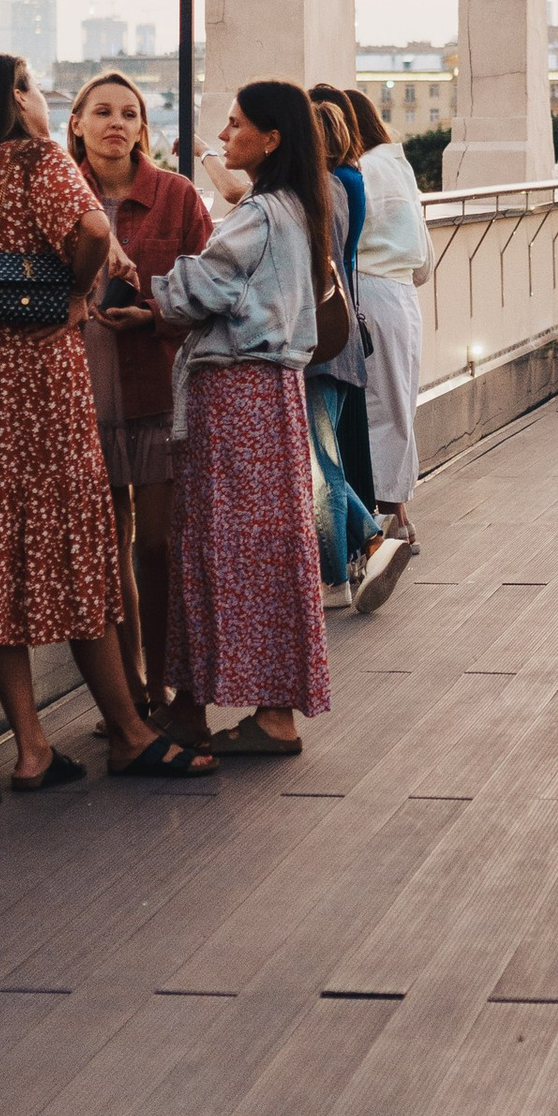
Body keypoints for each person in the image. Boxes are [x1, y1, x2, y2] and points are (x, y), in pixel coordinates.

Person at [0, 53, 206, 790]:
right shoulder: (37, 157)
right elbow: (87, 225)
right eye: (34, 87)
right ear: (18, 100)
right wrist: (79, 290)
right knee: (83, 546)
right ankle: (130, 732)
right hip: (45, 375)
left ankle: (30, 748)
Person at [155, 81, 338, 758]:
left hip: (234, 398)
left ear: (271, 138)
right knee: (268, 549)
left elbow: (195, 293)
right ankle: (270, 709)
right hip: (275, 395)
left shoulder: (257, 215)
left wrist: (147, 286)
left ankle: (195, 705)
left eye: (235, 126)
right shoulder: (297, 210)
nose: (224, 136)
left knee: (216, 546)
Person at [70, 69, 211, 721]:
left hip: (159, 392)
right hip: (82, 399)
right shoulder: (63, 197)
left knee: (156, 545)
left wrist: (152, 315)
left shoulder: (177, 197)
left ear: (143, 129)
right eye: (101, 111)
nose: (116, 123)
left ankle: (165, 679)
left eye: (129, 113)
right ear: (76, 123)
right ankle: (128, 694)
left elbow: (214, 292)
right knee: (105, 549)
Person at [342, 82, 434, 607]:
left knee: (374, 410)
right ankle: (397, 520)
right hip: (402, 296)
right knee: (397, 406)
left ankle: (376, 535)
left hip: (370, 293)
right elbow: (422, 257)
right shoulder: (396, 165)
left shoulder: (360, 173)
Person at [304, 87, 384, 607]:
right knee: (320, 457)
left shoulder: (324, 191)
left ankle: (336, 576)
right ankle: (373, 534)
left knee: (322, 463)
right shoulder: (348, 182)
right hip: (339, 333)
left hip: (321, 339)